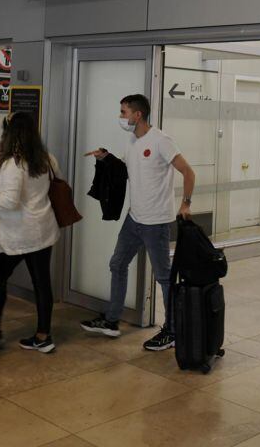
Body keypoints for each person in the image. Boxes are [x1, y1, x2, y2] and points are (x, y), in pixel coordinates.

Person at [80, 94, 196, 352]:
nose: (121, 117)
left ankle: (172, 330)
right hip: (134, 219)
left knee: (164, 277)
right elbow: (127, 169)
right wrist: (106, 158)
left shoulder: (162, 141)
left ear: (137, 115)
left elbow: (188, 172)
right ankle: (111, 321)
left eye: (123, 112)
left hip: (156, 223)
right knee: (118, 264)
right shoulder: (132, 140)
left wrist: (186, 203)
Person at [0, 112, 60, 353]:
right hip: (42, 230)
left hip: (18, 234)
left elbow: (9, 202)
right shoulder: (47, 159)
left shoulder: (14, 164)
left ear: (10, 134)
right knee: (42, 283)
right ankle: (43, 335)